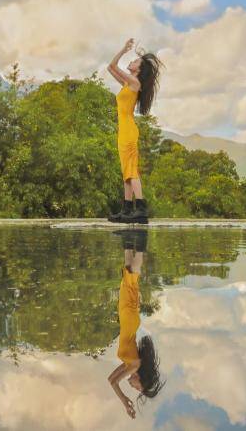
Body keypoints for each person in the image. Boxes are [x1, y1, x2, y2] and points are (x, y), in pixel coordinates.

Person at [107, 230, 164, 418]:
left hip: (127, 319)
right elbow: (114, 383)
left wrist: (125, 401)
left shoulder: (129, 365)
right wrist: (124, 402)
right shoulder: (134, 364)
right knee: (132, 279)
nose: (134, 387)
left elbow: (110, 380)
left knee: (128, 276)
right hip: (129, 318)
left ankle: (130, 236)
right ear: (143, 382)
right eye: (138, 388)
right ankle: (140, 239)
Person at [106, 38, 164, 224]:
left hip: (129, 131)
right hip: (123, 131)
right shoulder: (127, 84)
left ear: (138, 69)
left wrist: (124, 49)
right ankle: (127, 209)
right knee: (126, 172)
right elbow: (109, 68)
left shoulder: (134, 82)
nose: (131, 62)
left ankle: (141, 208)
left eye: (135, 62)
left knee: (131, 171)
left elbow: (113, 64)